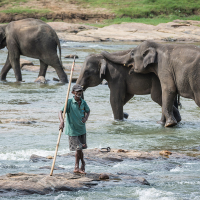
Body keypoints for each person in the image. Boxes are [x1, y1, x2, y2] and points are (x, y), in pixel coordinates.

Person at [59, 84, 90, 174]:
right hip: (72, 130)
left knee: (80, 148)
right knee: (78, 147)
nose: (79, 93)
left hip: (82, 129)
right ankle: (78, 166)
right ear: (73, 92)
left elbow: (88, 111)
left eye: (80, 91)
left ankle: (82, 164)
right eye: (77, 91)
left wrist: (86, 118)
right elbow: (60, 111)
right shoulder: (69, 102)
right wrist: (61, 121)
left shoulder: (83, 102)